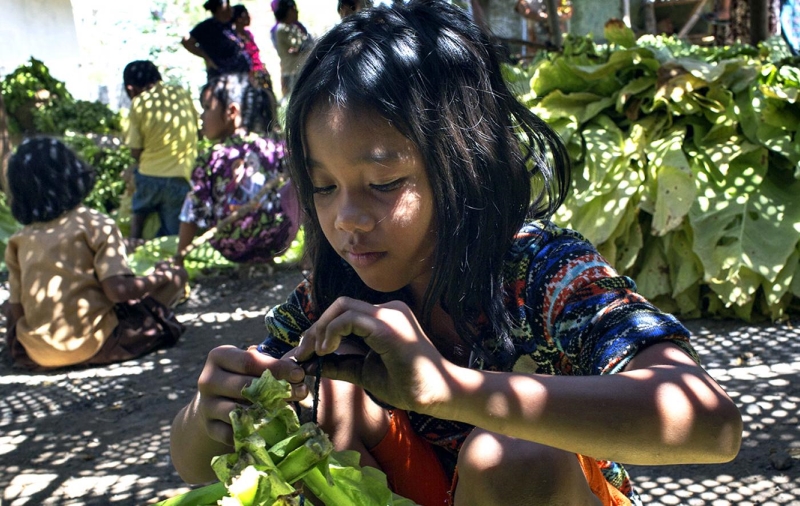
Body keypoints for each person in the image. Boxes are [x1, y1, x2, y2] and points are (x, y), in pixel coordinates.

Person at [169, 2, 742, 505]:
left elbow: (711, 426)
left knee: (515, 458)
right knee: (328, 403)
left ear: (461, 165)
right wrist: (211, 413)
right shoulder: (331, 293)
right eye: (323, 187)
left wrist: (452, 391)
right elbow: (194, 464)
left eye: (385, 182)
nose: (346, 218)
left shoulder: (540, 272)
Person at [3, 137, 188, 371]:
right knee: (177, 275)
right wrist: (160, 276)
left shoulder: (19, 240)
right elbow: (118, 291)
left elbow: (17, 310)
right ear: (74, 176)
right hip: (99, 343)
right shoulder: (94, 223)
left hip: (38, 354)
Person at [174, 73, 299, 267]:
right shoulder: (272, 147)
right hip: (275, 241)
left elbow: (193, 213)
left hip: (230, 247)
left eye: (207, 108)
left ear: (232, 112)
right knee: (302, 181)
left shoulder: (208, 158)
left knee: (193, 198)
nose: (201, 117)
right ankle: (311, 257)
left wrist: (179, 258)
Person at [123, 60, 199, 241]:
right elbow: (197, 130)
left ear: (131, 89)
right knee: (172, 234)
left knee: (139, 211)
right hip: (182, 178)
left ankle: (133, 243)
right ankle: (169, 260)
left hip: (149, 177)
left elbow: (135, 152)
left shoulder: (139, 103)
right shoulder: (182, 94)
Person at [182, 0, 251, 80]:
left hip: (241, 75)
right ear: (219, 8)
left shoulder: (229, 25)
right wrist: (206, 56)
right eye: (228, 6)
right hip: (222, 77)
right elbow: (186, 41)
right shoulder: (206, 26)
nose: (231, 9)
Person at [270, 0, 312, 98]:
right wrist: (305, 46)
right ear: (288, 11)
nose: (297, 12)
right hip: (291, 71)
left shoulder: (294, 27)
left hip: (299, 69)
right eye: (294, 10)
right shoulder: (282, 29)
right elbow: (301, 45)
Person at [232, 4, 276, 92]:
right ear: (238, 18)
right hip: (250, 77)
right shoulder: (234, 38)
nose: (249, 17)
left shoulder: (248, 33)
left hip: (261, 72)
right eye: (245, 15)